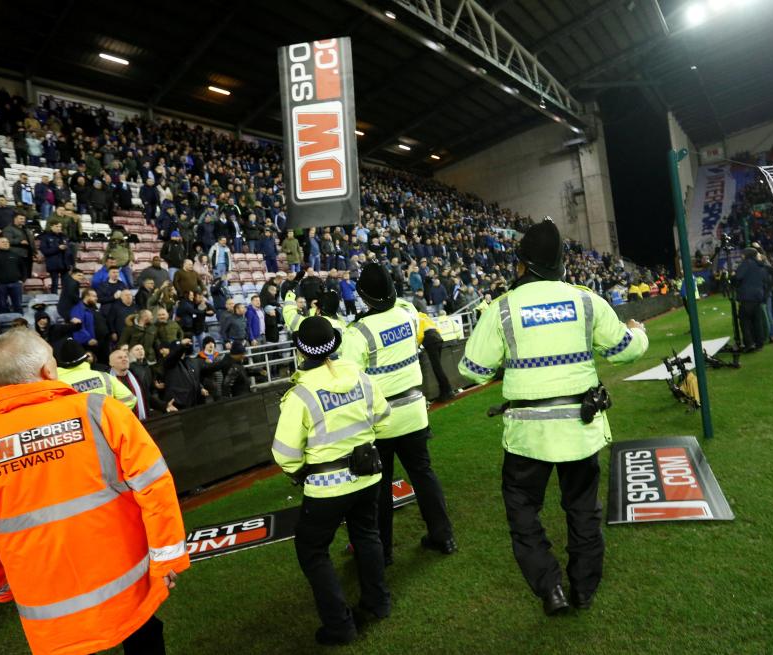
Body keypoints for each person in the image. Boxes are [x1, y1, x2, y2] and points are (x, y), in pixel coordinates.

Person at [0, 328, 189, 654]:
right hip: (127, 587)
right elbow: (154, 487)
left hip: (45, 607)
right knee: (144, 639)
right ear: (47, 370)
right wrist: (167, 559)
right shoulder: (101, 412)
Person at [459, 218, 649, 615]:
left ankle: (551, 589)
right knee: (583, 510)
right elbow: (625, 351)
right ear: (562, 262)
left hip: (528, 438)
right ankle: (584, 589)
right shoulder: (586, 300)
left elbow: (472, 370)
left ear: (522, 265)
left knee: (524, 512)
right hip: (581, 429)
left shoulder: (502, 308)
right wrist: (639, 331)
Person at [272, 316, 391, 645]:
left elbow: (285, 453)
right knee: (367, 536)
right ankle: (378, 602)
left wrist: (298, 473)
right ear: (334, 344)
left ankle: (340, 625)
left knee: (312, 549)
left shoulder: (301, 394)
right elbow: (382, 417)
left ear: (300, 351)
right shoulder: (359, 375)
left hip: (327, 487)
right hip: (369, 475)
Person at [340, 262, 457, 565]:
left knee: (380, 488)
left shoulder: (358, 332)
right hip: (415, 411)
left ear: (364, 297)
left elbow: (349, 379)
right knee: (424, 474)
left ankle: (384, 551)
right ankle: (443, 535)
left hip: (381, 420)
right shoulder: (407, 313)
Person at [54, 338, 136, 410]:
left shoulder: (56, 385)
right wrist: (110, 415)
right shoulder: (104, 376)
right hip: (106, 426)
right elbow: (130, 399)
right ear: (84, 358)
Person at [732, 247, 772, 352]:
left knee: (745, 322)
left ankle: (749, 344)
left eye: (743, 254)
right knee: (757, 321)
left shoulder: (746, 264)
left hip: (746, 296)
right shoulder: (760, 265)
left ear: (747, 255)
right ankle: (759, 343)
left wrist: (733, 276)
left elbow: (738, 277)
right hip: (758, 296)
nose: (742, 256)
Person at [110, 348, 148, 420]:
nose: (124, 359)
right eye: (120, 358)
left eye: (126, 357)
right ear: (111, 363)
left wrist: (164, 406)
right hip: (122, 424)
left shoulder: (137, 375)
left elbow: (146, 396)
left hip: (142, 421)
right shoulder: (107, 380)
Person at [38, 221, 72, 294]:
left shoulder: (64, 236)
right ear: (51, 226)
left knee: (66, 285)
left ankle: (65, 299)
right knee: (55, 284)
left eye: (60, 226)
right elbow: (45, 251)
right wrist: (58, 248)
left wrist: (70, 263)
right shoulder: (45, 237)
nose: (59, 228)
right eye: (57, 226)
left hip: (64, 264)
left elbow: (69, 251)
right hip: (53, 264)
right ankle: (54, 299)